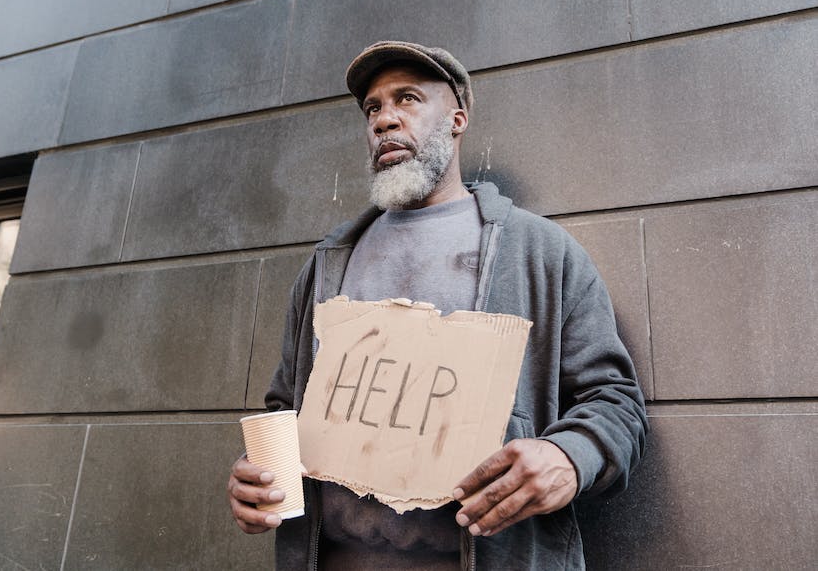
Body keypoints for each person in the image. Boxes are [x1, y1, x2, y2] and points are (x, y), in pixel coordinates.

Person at [228, 41, 647, 570]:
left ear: (457, 119)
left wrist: (571, 456)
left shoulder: (539, 252)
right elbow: (285, 408)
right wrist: (258, 473)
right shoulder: (327, 263)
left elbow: (615, 401)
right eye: (373, 108)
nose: (384, 120)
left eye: (407, 99)